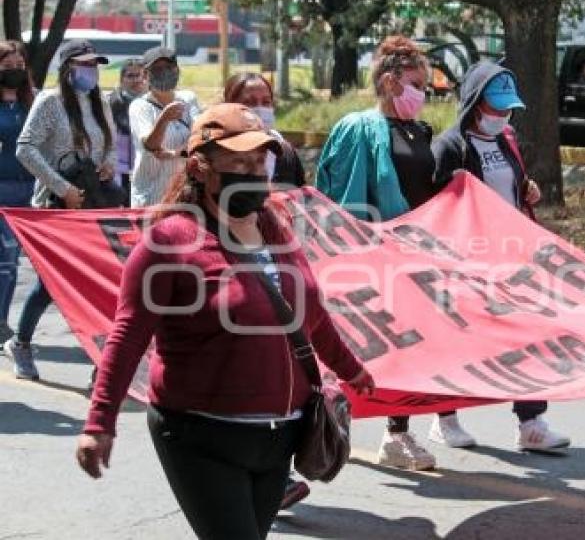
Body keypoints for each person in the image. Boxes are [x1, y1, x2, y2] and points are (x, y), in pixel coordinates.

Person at [76, 103, 375, 540]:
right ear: (201, 167)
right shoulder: (168, 241)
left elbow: (310, 316)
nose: (256, 172)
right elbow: (127, 337)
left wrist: (352, 369)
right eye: (240, 161)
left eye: (260, 160)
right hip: (200, 437)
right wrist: (99, 423)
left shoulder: (275, 227)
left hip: (280, 438)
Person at [430, 60, 571, 453]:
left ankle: (531, 422)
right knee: (457, 340)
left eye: (508, 108)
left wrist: (528, 189)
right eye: (496, 107)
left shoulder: (506, 138)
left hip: (512, 256)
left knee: (527, 332)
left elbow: (510, 184)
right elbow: (437, 207)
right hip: (467, 260)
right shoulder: (449, 146)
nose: (503, 115)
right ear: (474, 103)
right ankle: (446, 418)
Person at [316, 35, 440, 471]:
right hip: (374, 256)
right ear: (389, 81)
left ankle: (397, 431)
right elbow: (344, 201)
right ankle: (330, 417)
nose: (421, 94)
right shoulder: (358, 128)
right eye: (414, 83)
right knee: (362, 345)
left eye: (424, 85)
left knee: (407, 347)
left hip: (415, 254)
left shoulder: (420, 130)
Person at [3, 39, 116, 381]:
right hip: (56, 206)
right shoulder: (50, 102)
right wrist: (61, 187)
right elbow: (25, 148)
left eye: (95, 64)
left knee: (100, 279)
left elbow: (108, 144)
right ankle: (21, 343)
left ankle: (102, 362)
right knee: (51, 284)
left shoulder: (100, 102)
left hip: (93, 204)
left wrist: (108, 164)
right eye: (84, 64)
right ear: (67, 69)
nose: (91, 71)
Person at [224, 71, 310, 510]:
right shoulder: (214, 150)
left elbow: (304, 201)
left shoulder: (284, 150)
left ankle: (278, 474)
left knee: (285, 364)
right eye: (249, 99)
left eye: (265, 98)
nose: (260, 106)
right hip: (234, 273)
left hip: (279, 267)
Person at [129, 46, 200, 207]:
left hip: (184, 195)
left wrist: (176, 153)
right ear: (146, 74)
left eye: (169, 67)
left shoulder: (189, 99)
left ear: (177, 70)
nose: (164, 72)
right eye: (157, 69)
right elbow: (150, 145)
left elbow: (200, 136)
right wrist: (163, 119)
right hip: (151, 197)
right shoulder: (140, 106)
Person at [0, 40, 35, 344]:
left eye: (19, 67)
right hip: (0, 189)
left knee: (11, 263)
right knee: (4, 259)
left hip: (28, 193)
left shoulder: (32, 102)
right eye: (7, 67)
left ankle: (2, 320)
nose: (14, 72)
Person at [223, 72, 304, 188]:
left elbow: (299, 197)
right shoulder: (217, 154)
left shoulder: (285, 153)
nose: (260, 109)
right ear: (228, 106)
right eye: (249, 102)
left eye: (266, 102)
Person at [108, 58, 146, 205]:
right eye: (130, 76)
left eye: (139, 75)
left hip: (144, 170)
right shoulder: (110, 102)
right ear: (122, 79)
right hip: (118, 170)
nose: (135, 80)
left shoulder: (151, 103)